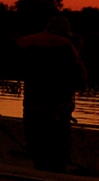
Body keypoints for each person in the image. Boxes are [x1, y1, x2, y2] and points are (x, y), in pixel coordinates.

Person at [16, 16, 88, 171]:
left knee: (36, 144)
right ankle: (56, 173)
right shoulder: (67, 49)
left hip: (32, 106)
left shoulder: (29, 47)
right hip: (59, 108)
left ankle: (42, 171)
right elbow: (80, 81)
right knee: (59, 147)